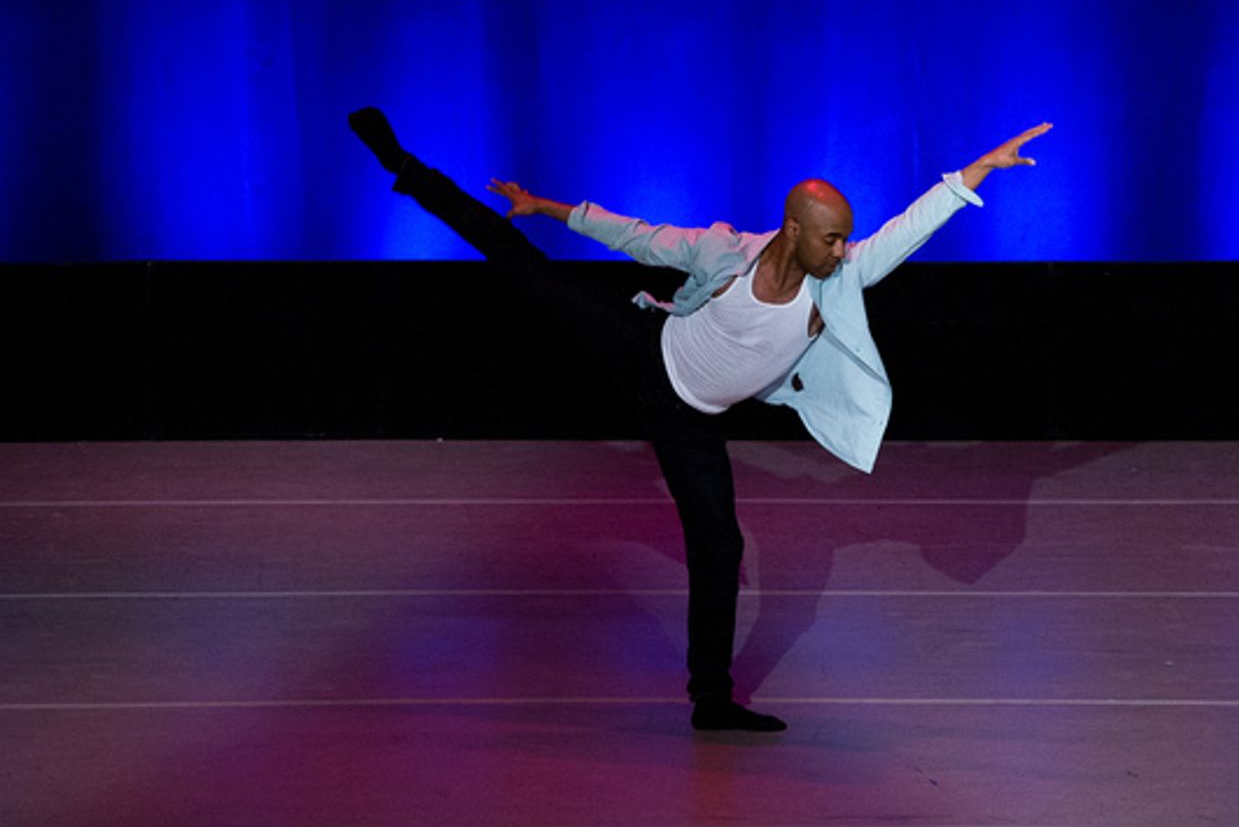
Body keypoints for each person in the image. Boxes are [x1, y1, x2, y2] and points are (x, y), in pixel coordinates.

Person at [349, 108, 1051, 732]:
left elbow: (906, 230)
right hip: (644, 354)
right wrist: (543, 206)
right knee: (526, 269)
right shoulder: (724, 252)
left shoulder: (838, 282)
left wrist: (973, 174)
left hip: (693, 420)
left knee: (720, 548)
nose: (843, 252)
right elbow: (639, 237)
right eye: (832, 239)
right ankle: (406, 166)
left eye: (847, 241)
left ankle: (711, 701)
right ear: (793, 229)